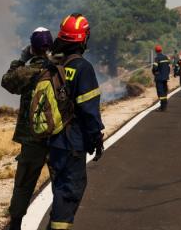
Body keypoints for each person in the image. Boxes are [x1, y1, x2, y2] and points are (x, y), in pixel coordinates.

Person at [46, 13, 104, 230]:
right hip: (72, 141)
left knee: (60, 189)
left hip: (52, 139)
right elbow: (89, 110)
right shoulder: (82, 67)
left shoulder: (52, 65)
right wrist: (96, 138)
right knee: (70, 191)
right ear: (83, 38)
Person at [1, 27, 54, 230]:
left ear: (32, 48)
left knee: (23, 186)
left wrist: (21, 60)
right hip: (57, 138)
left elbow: (6, 81)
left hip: (32, 139)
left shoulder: (26, 72)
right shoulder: (60, 70)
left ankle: (15, 225)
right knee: (61, 185)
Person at [152, 45, 171, 110]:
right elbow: (168, 67)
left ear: (156, 51)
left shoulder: (157, 58)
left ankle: (163, 106)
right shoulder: (166, 57)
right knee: (165, 90)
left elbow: (154, 68)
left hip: (159, 78)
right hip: (165, 77)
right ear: (161, 50)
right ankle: (164, 104)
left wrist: (155, 73)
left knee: (160, 91)